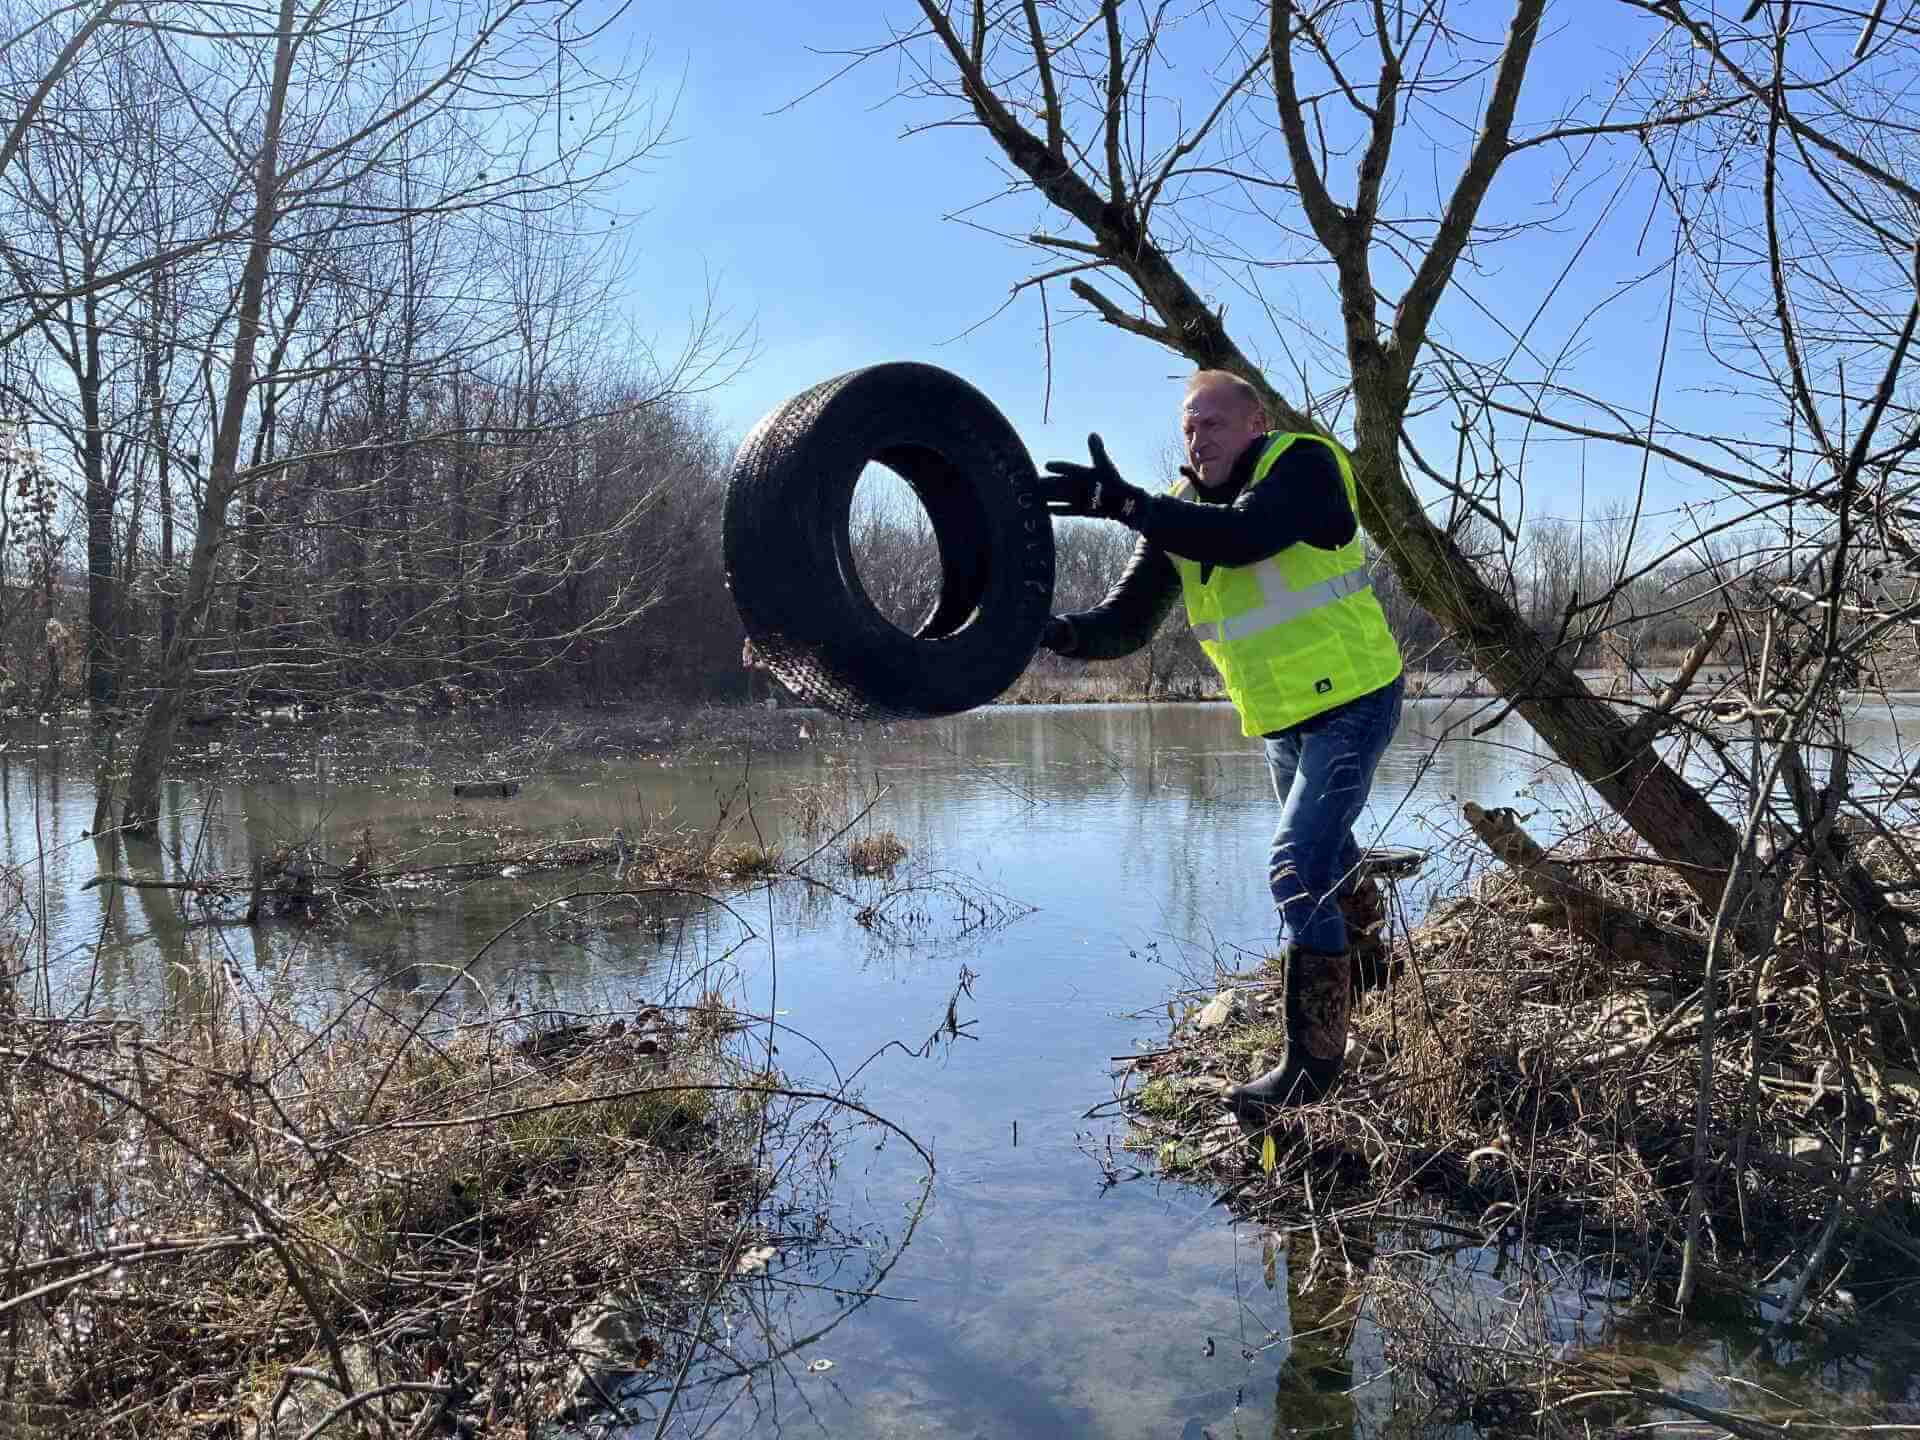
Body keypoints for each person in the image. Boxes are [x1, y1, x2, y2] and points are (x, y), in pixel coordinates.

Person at [1038, 370, 1405, 1113]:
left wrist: (1125, 505)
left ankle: (1311, 1071)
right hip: (1282, 718)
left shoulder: (1303, 464)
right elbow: (1126, 621)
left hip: (1357, 700)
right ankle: (1369, 963)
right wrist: (1048, 634)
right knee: (1327, 858)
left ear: (1254, 422)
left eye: (1212, 424)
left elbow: (1245, 539)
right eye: (1187, 428)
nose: (1198, 439)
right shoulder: (1174, 515)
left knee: (1295, 870)